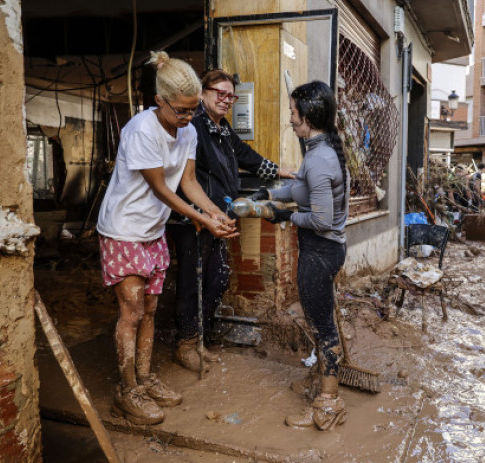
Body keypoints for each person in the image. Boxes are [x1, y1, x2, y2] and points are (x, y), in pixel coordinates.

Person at [96, 51, 237, 424]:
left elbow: (188, 182)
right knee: (131, 312)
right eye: (181, 110)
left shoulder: (188, 130)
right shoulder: (141, 130)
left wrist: (217, 213)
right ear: (159, 101)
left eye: (193, 110)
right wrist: (202, 220)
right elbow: (161, 188)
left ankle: (144, 379)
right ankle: (127, 391)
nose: (189, 118)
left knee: (151, 311)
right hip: (124, 230)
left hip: (152, 230)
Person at [167, 69, 295, 372]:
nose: (226, 100)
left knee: (217, 278)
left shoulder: (222, 129)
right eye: (220, 93)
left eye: (231, 96)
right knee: (192, 280)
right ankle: (185, 344)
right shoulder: (192, 127)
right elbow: (184, 179)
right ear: (203, 92)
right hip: (193, 218)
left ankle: (200, 340)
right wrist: (205, 213)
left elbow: (246, 155)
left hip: (219, 218)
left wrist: (280, 171)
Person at [253, 81, 349, 431]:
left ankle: (328, 403)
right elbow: (301, 187)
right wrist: (269, 192)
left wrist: (283, 215)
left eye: (294, 113)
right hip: (324, 249)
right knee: (319, 321)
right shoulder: (321, 151)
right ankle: (321, 383)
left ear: (307, 116)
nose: (290, 119)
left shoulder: (320, 159)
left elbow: (321, 219)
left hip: (320, 251)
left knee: (323, 328)